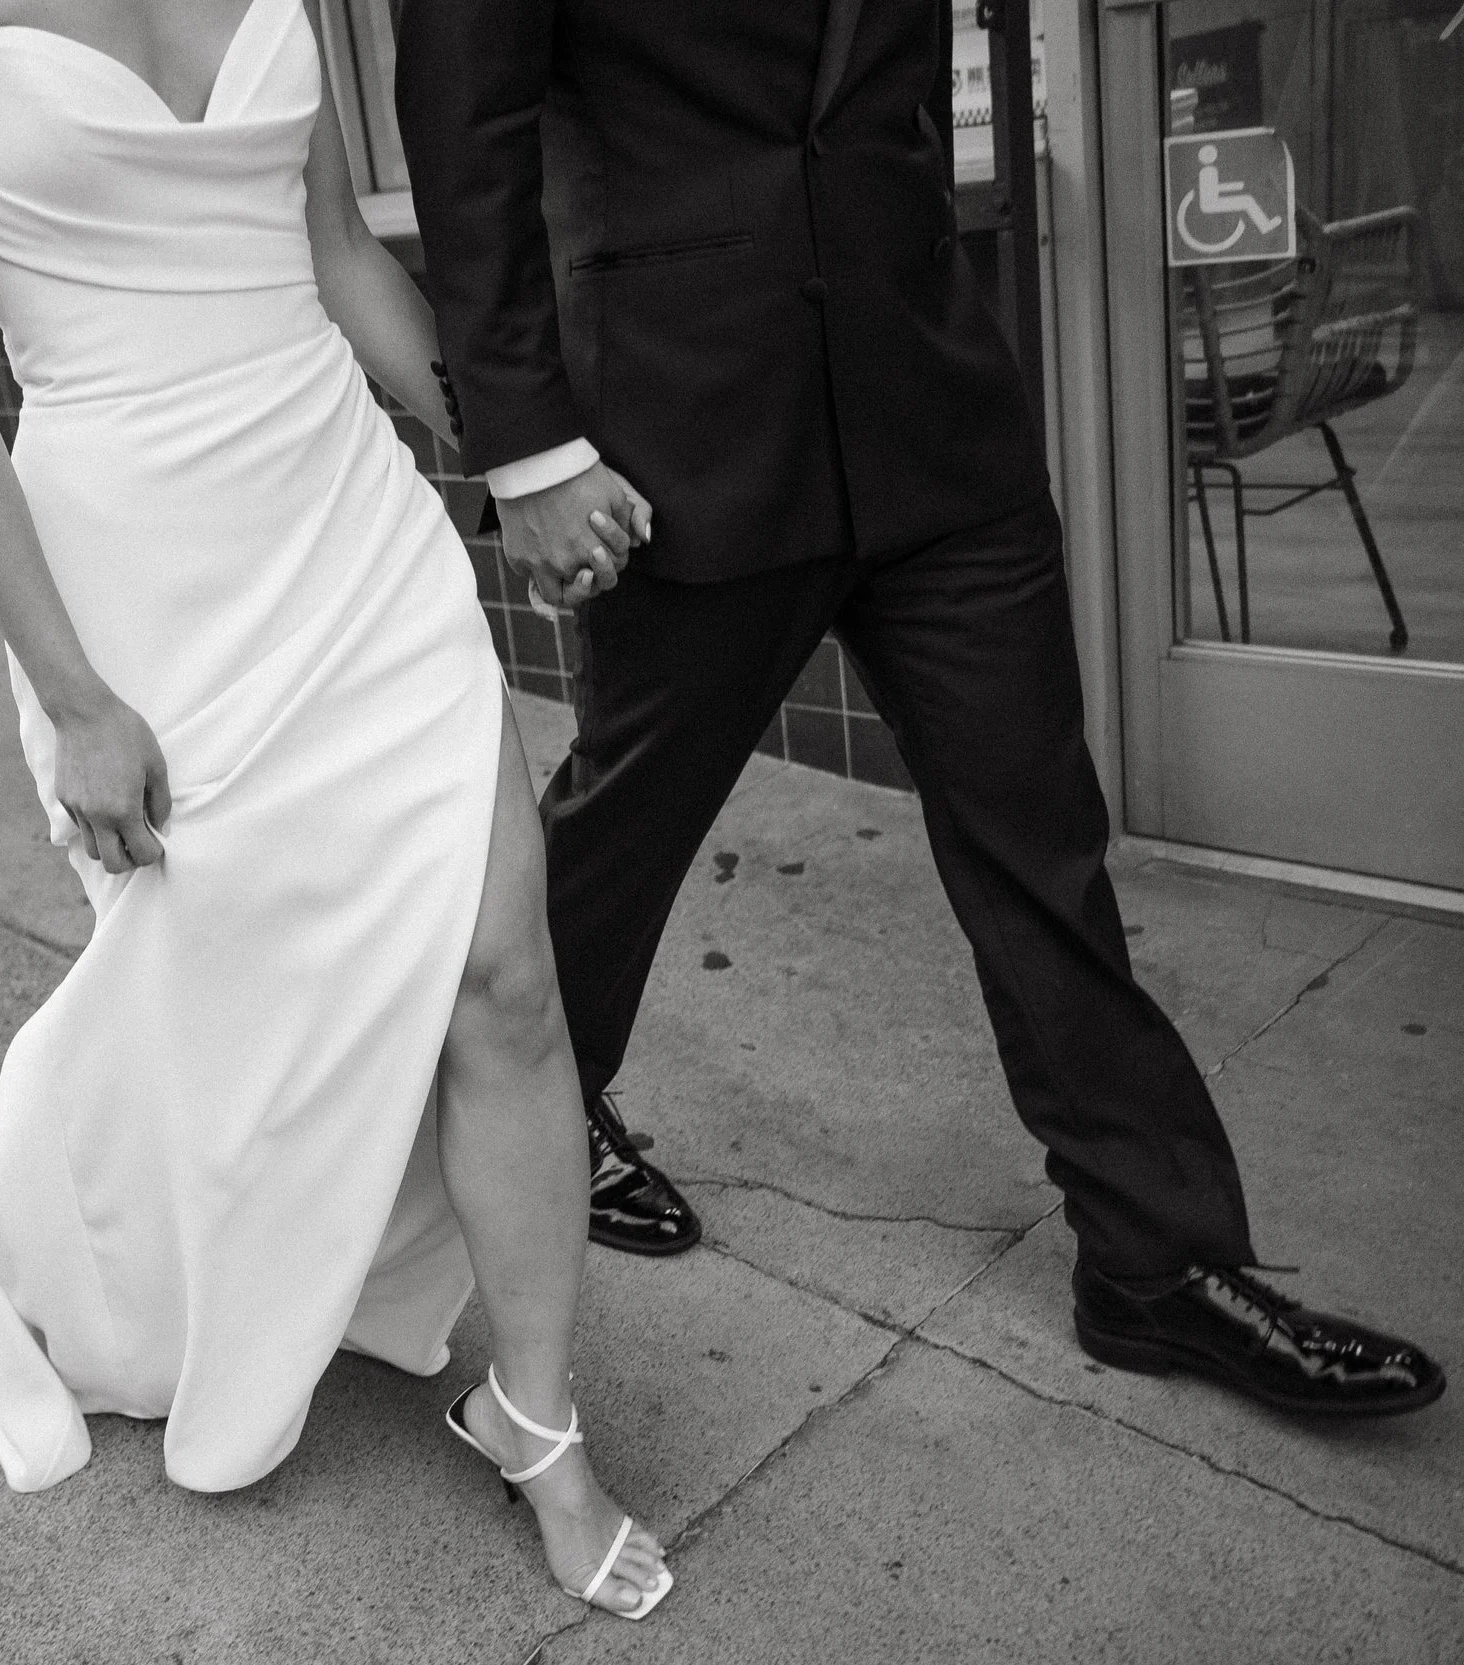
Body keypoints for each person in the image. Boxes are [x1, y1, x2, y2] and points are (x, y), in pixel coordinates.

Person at [395, 0, 1444, 1416]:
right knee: (632, 810)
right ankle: (535, 1099)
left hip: (934, 420)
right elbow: (462, 140)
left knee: (1042, 847)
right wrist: (529, 451)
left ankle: (1157, 1262)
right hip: (684, 428)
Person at [0, 0, 670, 1620]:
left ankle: (539, 1422)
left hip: (350, 533)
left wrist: (521, 459)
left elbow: (338, 254)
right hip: (138, 589)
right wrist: (77, 697)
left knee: (505, 980)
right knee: (223, 1007)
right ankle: (76, 1230)